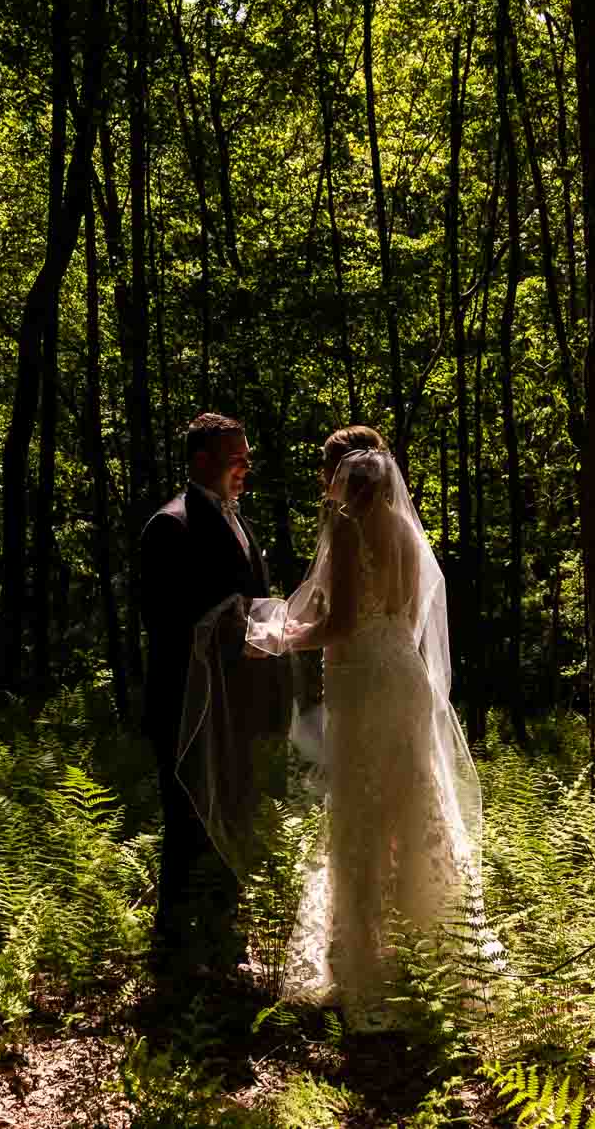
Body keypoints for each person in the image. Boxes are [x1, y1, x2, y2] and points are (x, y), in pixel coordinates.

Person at [184, 426, 484, 1031]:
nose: (325, 486)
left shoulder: (348, 529)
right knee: (409, 805)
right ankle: (429, 959)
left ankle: (364, 973)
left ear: (341, 475)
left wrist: (285, 640)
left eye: (326, 474)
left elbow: (342, 620)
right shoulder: (403, 530)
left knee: (361, 814)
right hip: (404, 677)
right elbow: (397, 613)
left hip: (364, 684)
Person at [137, 412, 276, 974]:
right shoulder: (170, 526)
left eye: (246, 456)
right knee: (188, 818)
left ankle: (223, 936)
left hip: (233, 704)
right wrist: (237, 634)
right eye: (235, 457)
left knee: (232, 810)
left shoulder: (237, 520)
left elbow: (250, 599)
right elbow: (170, 623)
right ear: (200, 462)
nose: (245, 466)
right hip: (185, 705)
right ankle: (171, 946)